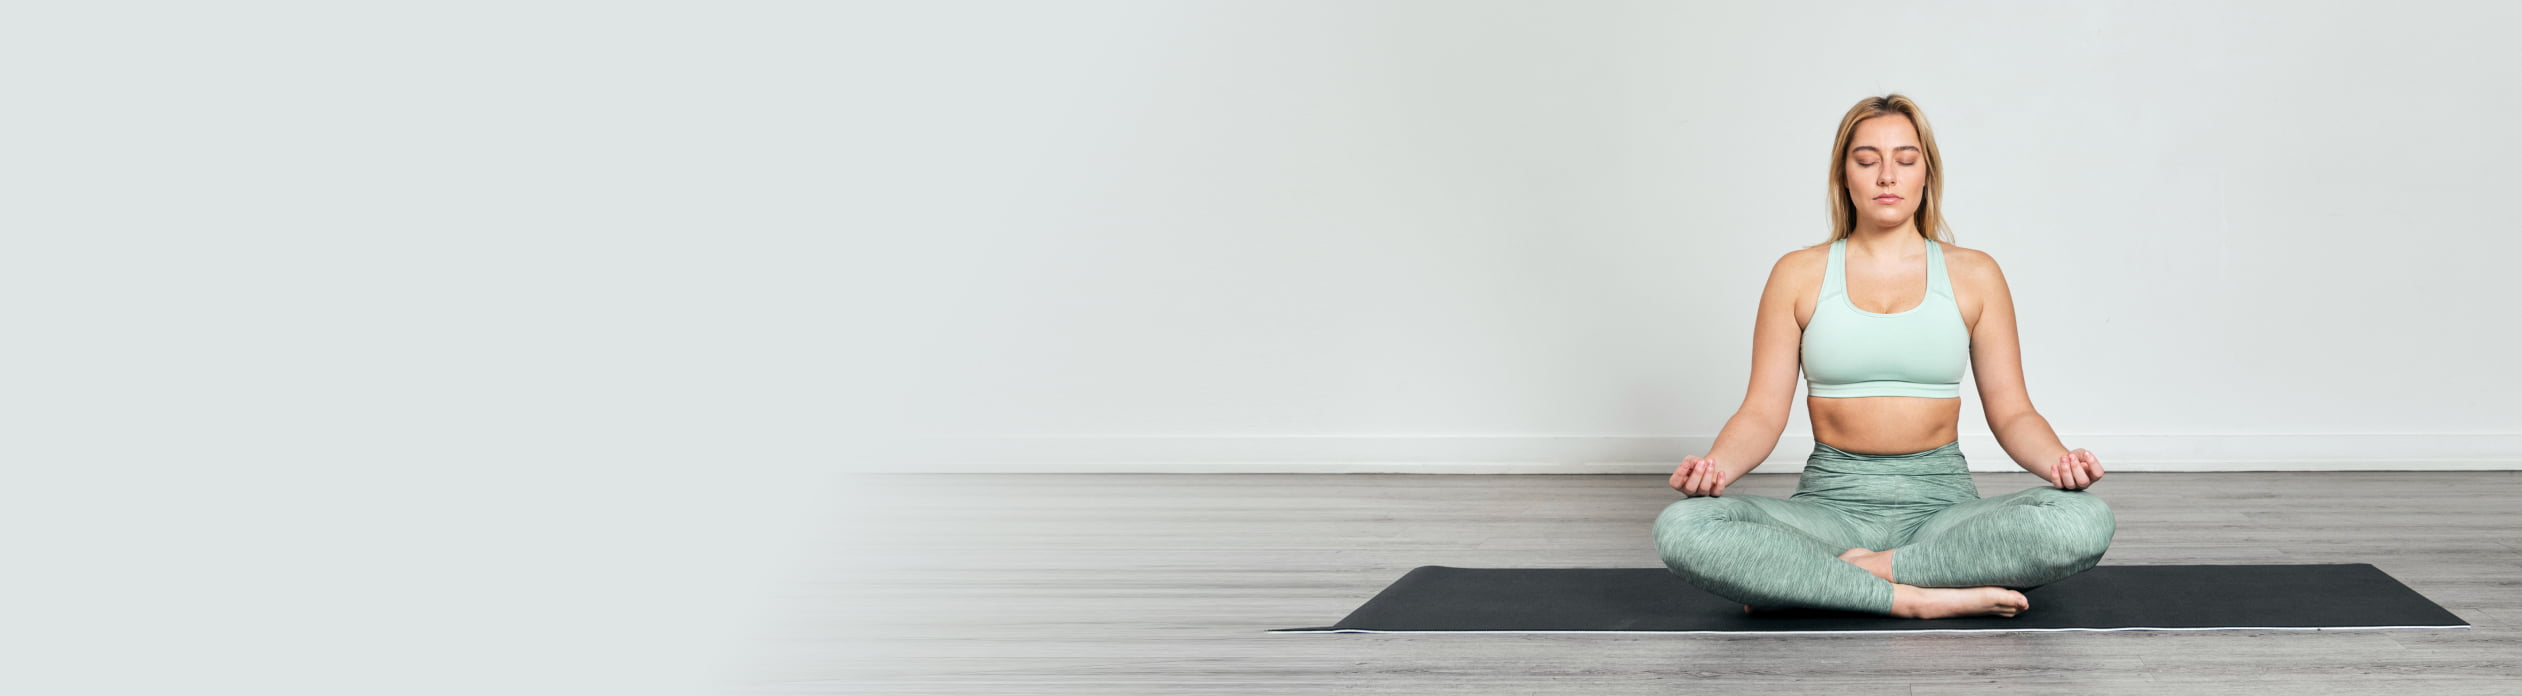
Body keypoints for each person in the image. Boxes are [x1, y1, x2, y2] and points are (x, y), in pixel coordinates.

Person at [1651, 93, 2115, 620]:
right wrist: (1716, 468)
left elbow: (2013, 412)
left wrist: (2059, 462)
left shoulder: (1976, 274)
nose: (1886, 176)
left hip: (1943, 509)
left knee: (2083, 519)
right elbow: (1761, 412)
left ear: (1926, 175)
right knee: (1682, 527)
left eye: (1905, 160)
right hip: (1830, 509)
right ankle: (1913, 597)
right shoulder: (1797, 274)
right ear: (1843, 177)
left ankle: (1849, 575)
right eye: (1867, 161)